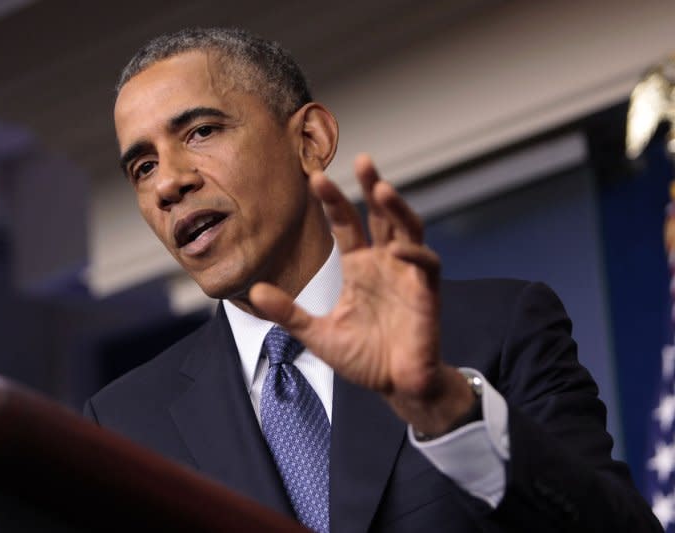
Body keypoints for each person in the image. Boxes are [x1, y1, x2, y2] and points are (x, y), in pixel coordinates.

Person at [85, 27, 661, 532]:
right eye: (143, 167)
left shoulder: (501, 329)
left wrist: (445, 409)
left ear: (310, 141)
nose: (168, 184)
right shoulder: (122, 427)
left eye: (202, 132)